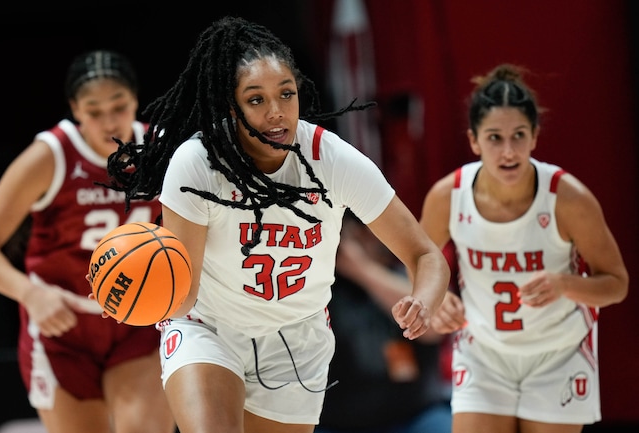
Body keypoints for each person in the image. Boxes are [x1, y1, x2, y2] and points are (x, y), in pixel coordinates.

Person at [104, 16, 450, 433]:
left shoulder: (332, 160)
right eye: (256, 100)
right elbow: (183, 294)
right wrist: (141, 291)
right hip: (210, 328)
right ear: (231, 107)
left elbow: (425, 253)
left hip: (296, 339)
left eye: (286, 94)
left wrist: (425, 299)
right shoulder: (197, 163)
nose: (275, 112)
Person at [0, 50, 176, 433]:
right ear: (75, 109)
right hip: (63, 326)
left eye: (119, 106)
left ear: (135, 101)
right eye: (94, 110)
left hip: (138, 320)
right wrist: (30, 294)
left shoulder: (160, 151)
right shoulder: (51, 155)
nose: (109, 120)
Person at [419, 63, 629, 433]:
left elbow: (616, 283)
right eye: (495, 138)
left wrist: (566, 285)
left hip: (558, 354)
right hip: (483, 352)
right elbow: (419, 260)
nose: (508, 150)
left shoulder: (568, 198)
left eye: (518, 135)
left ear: (534, 136)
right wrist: (433, 298)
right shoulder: (446, 196)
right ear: (474, 140)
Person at [315, 211, 452, 433]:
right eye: (357, 233)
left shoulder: (412, 278)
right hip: (338, 421)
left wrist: (363, 270)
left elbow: (437, 325)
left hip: (417, 415)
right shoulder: (322, 289)